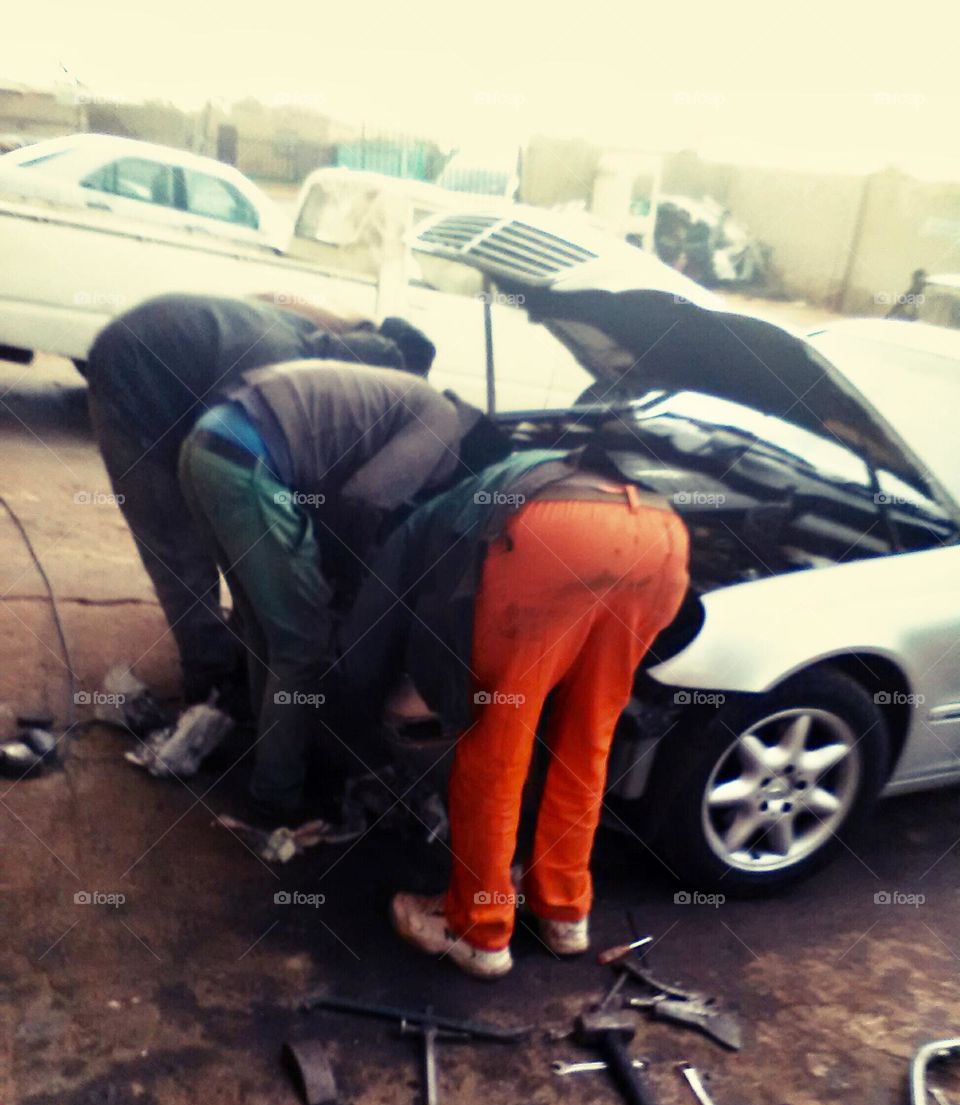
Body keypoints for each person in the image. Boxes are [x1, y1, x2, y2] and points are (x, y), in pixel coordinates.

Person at [338, 448, 690, 979]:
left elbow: (376, 624)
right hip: (661, 534)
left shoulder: (419, 525)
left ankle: (479, 930)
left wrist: (354, 690)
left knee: (496, 740)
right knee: (589, 734)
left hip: (553, 535)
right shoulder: (527, 467)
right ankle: (564, 910)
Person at [177, 359, 486, 828]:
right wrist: (347, 587)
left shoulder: (411, 399)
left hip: (208, 445)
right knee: (304, 643)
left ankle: (266, 757)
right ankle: (277, 794)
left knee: (268, 629)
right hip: (247, 462)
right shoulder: (442, 426)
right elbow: (362, 501)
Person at [86, 291, 435, 704]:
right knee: (176, 545)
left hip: (177, 363)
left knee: (227, 530)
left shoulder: (315, 344)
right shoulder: (278, 363)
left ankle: (229, 655)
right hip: (133, 380)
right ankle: (210, 681)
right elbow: (225, 467)